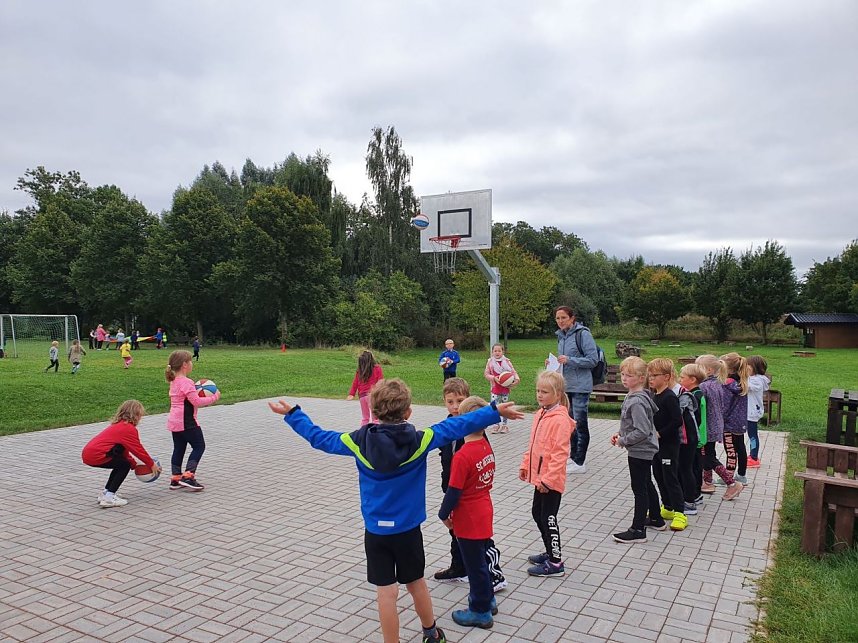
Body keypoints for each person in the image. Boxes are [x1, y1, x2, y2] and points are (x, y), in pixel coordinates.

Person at [268, 378, 524, 643]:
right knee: (416, 583)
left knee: (386, 592)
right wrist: (493, 411)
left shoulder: (357, 441)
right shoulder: (420, 440)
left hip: (376, 532)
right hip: (407, 531)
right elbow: (455, 425)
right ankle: (431, 633)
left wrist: (294, 415)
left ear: (375, 413)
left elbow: (320, 438)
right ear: (409, 412)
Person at [434, 378, 507, 592]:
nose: (455, 406)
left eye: (460, 400)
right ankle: (459, 567)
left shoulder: (477, 429)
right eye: (450, 401)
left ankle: (495, 574)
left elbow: (484, 458)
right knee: (456, 532)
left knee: (479, 538)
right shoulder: (447, 426)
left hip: (471, 495)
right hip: (452, 488)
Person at [438, 395, 498, 629]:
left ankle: (480, 610)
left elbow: (453, 491)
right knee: (481, 559)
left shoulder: (462, 456)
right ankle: (488, 597)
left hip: (468, 516)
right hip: (484, 508)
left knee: (474, 566)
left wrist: (443, 514)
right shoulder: (485, 447)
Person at [520, 370, 575, 576]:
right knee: (538, 513)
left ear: (558, 394)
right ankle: (549, 551)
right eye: (537, 391)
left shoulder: (560, 420)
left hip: (551, 480)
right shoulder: (541, 413)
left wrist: (548, 480)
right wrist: (526, 464)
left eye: (544, 392)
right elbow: (533, 444)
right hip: (540, 477)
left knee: (548, 518)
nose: (539, 395)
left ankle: (556, 562)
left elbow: (560, 454)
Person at [610, 356, 661, 544]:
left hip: (640, 451)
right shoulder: (634, 396)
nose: (624, 378)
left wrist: (623, 440)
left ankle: (638, 529)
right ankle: (656, 518)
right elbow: (634, 424)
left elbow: (642, 430)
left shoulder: (637, 401)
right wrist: (621, 433)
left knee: (639, 489)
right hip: (640, 448)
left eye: (629, 375)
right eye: (623, 374)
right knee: (647, 483)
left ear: (641, 378)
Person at [81, 400, 161, 508]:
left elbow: (124, 450)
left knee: (122, 463)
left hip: (90, 454)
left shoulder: (120, 425)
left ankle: (106, 493)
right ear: (135, 415)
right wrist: (151, 464)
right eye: (140, 415)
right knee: (124, 465)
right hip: (96, 455)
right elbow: (138, 449)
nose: (140, 418)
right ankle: (109, 498)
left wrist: (134, 464)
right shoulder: (128, 428)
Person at [166, 349, 220, 491]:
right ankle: (188, 476)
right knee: (199, 446)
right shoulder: (187, 382)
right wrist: (214, 398)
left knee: (178, 448)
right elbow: (196, 401)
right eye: (190, 361)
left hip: (174, 421)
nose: (191, 363)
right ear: (185, 364)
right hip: (187, 421)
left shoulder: (174, 381)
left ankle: (175, 478)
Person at [553, 306, 598, 474]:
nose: (560, 321)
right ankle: (573, 457)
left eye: (563, 317)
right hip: (566, 386)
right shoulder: (560, 337)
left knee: (580, 424)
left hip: (580, 386)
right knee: (569, 424)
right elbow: (563, 361)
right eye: (557, 318)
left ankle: (580, 461)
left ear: (572, 318)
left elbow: (592, 360)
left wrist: (570, 360)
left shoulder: (583, 334)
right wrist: (554, 363)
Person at [696, 355, 743, 501]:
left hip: (707, 428)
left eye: (698, 367)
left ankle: (732, 483)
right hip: (716, 425)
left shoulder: (704, 387)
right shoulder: (717, 383)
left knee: (708, 458)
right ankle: (707, 482)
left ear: (708, 370)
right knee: (708, 453)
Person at [647, 358, 686, 532]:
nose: (651, 379)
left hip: (669, 445)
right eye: (649, 375)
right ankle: (668, 506)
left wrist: (660, 433)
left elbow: (677, 420)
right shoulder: (654, 395)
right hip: (656, 446)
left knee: (670, 477)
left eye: (654, 375)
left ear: (667, 377)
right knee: (658, 475)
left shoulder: (670, 397)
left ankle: (680, 512)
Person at [677, 363, 708, 515]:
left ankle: (694, 495)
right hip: (697, 437)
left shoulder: (695, 395)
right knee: (694, 466)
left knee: (692, 467)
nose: (679, 380)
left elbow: (693, 418)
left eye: (682, 377)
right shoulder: (697, 393)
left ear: (693, 379)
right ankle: (696, 494)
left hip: (695, 437)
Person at [721, 352, 750, 485]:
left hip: (729, 422)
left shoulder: (727, 384)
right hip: (740, 422)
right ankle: (742, 475)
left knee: (730, 449)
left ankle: (729, 476)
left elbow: (725, 405)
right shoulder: (741, 381)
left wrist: (719, 417)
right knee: (740, 447)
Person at [483, 343, 519, 434]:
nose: (497, 352)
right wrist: (493, 378)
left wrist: (517, 379)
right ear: (492, 352)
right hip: (495, 388)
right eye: (495, 351)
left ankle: (504, 425)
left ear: (503, 352)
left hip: (505, 389)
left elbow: (513, 372)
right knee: (494, 407)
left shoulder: (507, 361)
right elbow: (486, 374)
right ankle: (496, 424)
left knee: (505, 407)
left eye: (499, 351)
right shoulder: (490, 362)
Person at [347, 350, 384, 426]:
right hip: (372, 396)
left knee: (365, 418)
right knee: (376, 419)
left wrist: (352, 394)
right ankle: (375, 434)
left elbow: (355, 383)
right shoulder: (377, 368)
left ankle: (363, 434)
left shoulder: (359, 371)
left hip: (362, 397)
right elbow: (381, 382)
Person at [746, 356, 770, 468]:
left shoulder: (756, 380)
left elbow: (745, 387)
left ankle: (754, 457)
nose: (745, 368)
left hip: (752, 412)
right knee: (752, 434)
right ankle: (752, 455)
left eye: (747, 366)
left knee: (752, 436)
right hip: (751, 411)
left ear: (754, 368)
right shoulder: (755, 378)